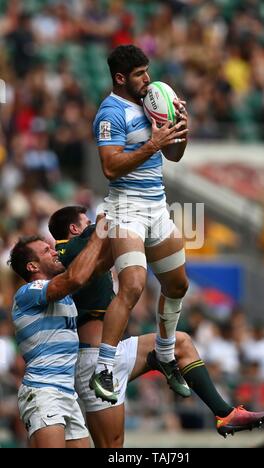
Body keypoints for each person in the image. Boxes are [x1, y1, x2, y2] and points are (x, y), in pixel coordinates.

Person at [49, 205, 264, 448]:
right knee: (112, 447)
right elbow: (101, 230)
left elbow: (112, 243)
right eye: (86, 221)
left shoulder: (89, 251)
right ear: (74, 228)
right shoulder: (65, 251)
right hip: (92, 361)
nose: (92, 223)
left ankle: (225, 414)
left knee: (182, 343)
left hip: (116, 350)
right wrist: (120, 212)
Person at [92, 44, 191, 403]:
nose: (147, 79)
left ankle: (165, 356)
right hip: (126, 209)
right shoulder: (110, 112)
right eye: (139, 74)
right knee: (132, 286)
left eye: (147, 71)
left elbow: (174, 155)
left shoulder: (152, 102)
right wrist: (152, 144)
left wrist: (180, 129)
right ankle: (103, 369)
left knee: (178, 285)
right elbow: (110, 166)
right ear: (120, 78)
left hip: (157, 206)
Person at [8, 217, 107, 448]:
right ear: (32, 266)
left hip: (66, 393)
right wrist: (96, 237)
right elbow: (77, 277)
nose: (55, 252)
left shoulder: (64, 295)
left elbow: (95, 268)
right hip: (43, 390)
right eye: (46, 250)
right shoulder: (29, 292)